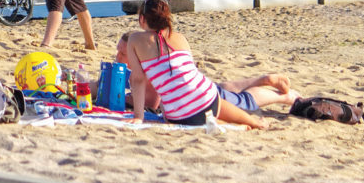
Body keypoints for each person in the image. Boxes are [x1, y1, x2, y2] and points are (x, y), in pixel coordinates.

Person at [125, 0, 267, 129]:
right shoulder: (180, 37)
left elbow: (138, 79)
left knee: (171, 106)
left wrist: (139, 117)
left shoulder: (135, 40)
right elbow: (187, 74)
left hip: (180, 116)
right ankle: (252, 122)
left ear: (142, 19)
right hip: (207, 98)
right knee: (205, 95)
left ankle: (231, 124)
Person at [115, 32, 299, 113]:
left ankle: (285, 97)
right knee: (220, 88)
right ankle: (262, 79)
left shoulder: (147, 71)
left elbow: (155, 103)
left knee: (244, 101)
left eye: (123, 53)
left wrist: (127, 99)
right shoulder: (145, 64)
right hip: (200, 87)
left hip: (200, 98)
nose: (117, 57)